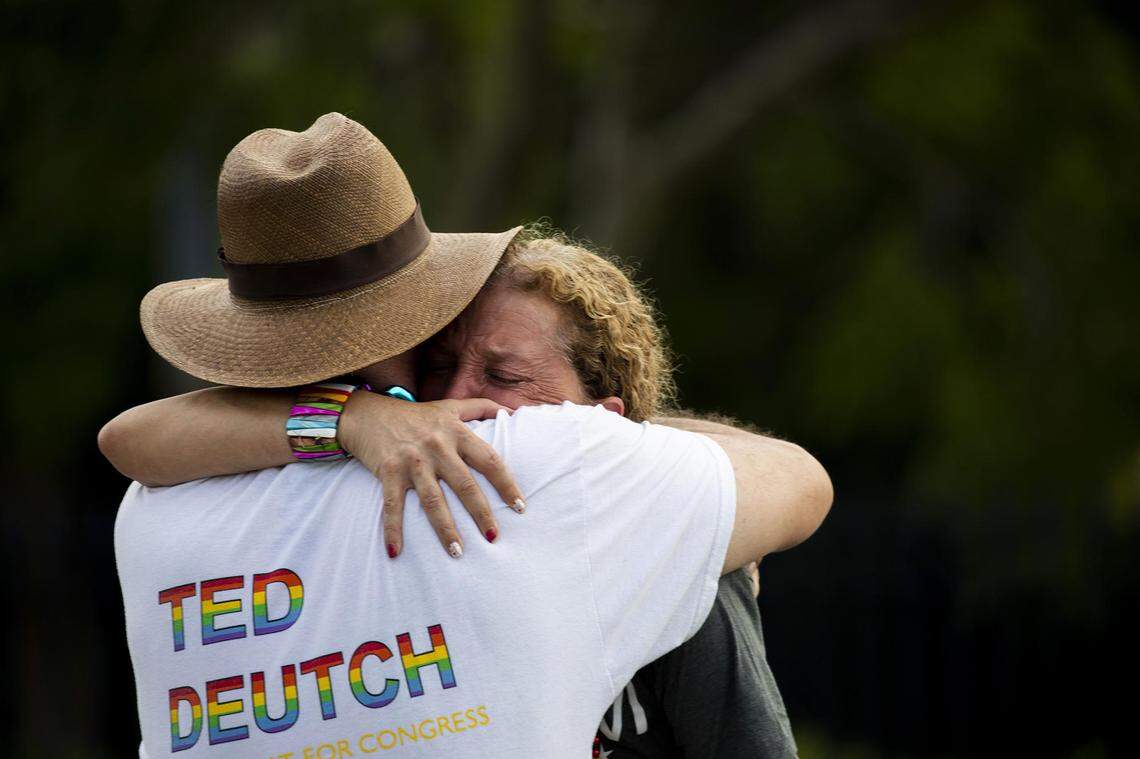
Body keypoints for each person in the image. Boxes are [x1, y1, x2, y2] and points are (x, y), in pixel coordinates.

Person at [106, 112, 830, 757]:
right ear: (407, 307)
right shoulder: (537, 466)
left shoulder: (154, 511)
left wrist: (347, 418)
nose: (456, 399)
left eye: (501, 374)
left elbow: (125, 436)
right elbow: (800, 480)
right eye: (448, 361)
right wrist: (634, 450)